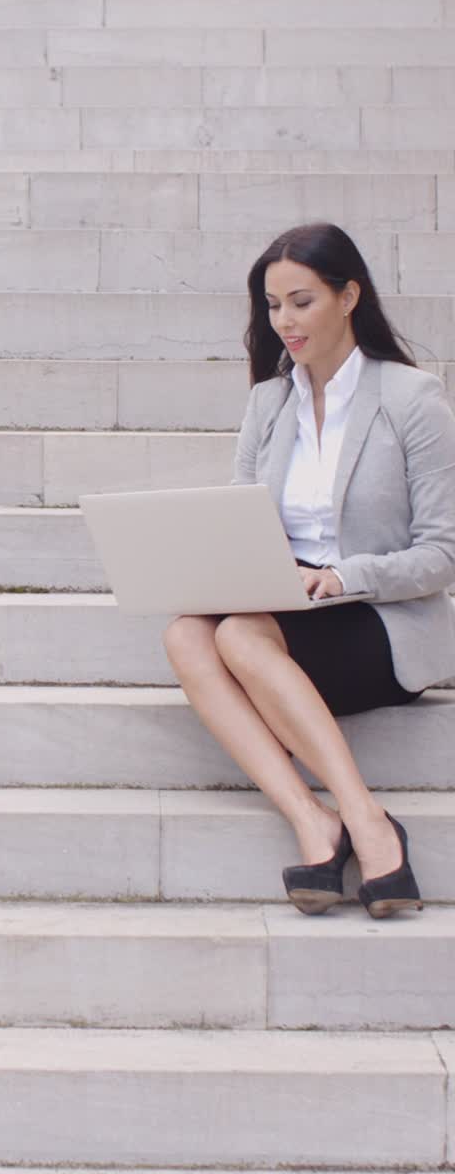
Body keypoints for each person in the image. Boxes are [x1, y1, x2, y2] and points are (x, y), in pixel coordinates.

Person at [163, 223, 455, 918]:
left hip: (382, 621)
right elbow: (237, 519)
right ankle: (311, 819)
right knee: (186, 632)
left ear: (348, 295)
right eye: (272, 306)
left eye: (301, 301)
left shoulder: (413, 399)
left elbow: (443, 553)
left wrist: (342, 577)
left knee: (236, 637)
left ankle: (365, 819)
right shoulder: (270, 402)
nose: (284, 322)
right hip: (286, 610)